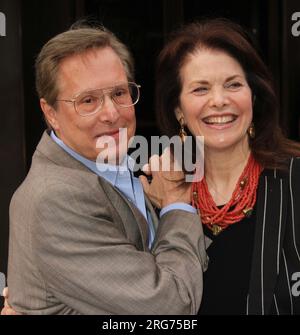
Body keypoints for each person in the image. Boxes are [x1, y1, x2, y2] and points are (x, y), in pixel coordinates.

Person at [1, 23, 209, 315]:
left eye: (119, 93)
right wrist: (175, 206)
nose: (112, 114)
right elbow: (171, 305)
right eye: (88, 101)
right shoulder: (53, 200)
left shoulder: (122, 162)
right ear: (51, 114)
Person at [148, 18, 300, 315]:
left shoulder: (295, 180)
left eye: (233, 84)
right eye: (200, 89)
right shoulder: (154, 192)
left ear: (253, 96)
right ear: (178, 110)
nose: (219, 101)